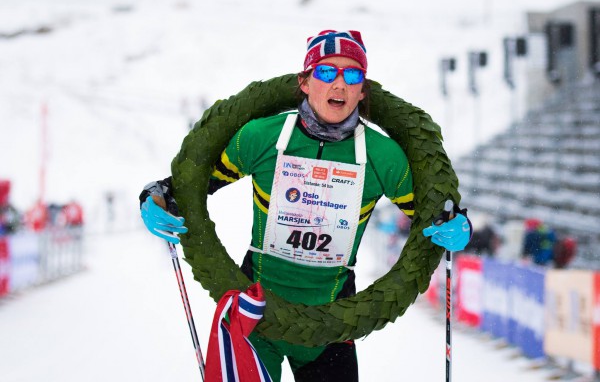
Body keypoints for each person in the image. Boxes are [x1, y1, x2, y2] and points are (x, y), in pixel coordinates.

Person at [139, 29, 471, 382]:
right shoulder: (262, 136)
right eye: (327, 72)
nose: (339, 85)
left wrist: (457, 224)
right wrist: (155, 195)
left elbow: (433, 216)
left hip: (330, 322)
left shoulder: (383, 156)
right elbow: (190, 187)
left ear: (363, 90)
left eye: (352, 74)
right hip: (255, 310)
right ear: (305, 82)